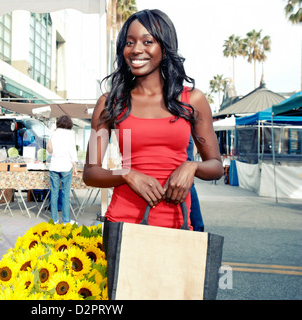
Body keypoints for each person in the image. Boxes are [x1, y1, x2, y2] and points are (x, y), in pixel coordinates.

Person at [83, 9, 223, 230]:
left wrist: (192, 166)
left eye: (147, 41)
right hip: (123, 222)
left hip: (177, 225)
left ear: (164, 48)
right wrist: (126, 173)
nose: (137, 49)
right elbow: (90, 173)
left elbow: (216, 166)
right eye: (129, 42)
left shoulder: (192, 100)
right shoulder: (110, 103)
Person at [47, 115, 78, 224]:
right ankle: (66, 220)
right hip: (66, 166)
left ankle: (54, 220)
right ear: (69, 124)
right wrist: (75, 166)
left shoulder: (53, 133)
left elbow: (49, 151)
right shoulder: (70, 134)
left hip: (54, 166)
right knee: (65, 194)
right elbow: (72, 150)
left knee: (54, 193)